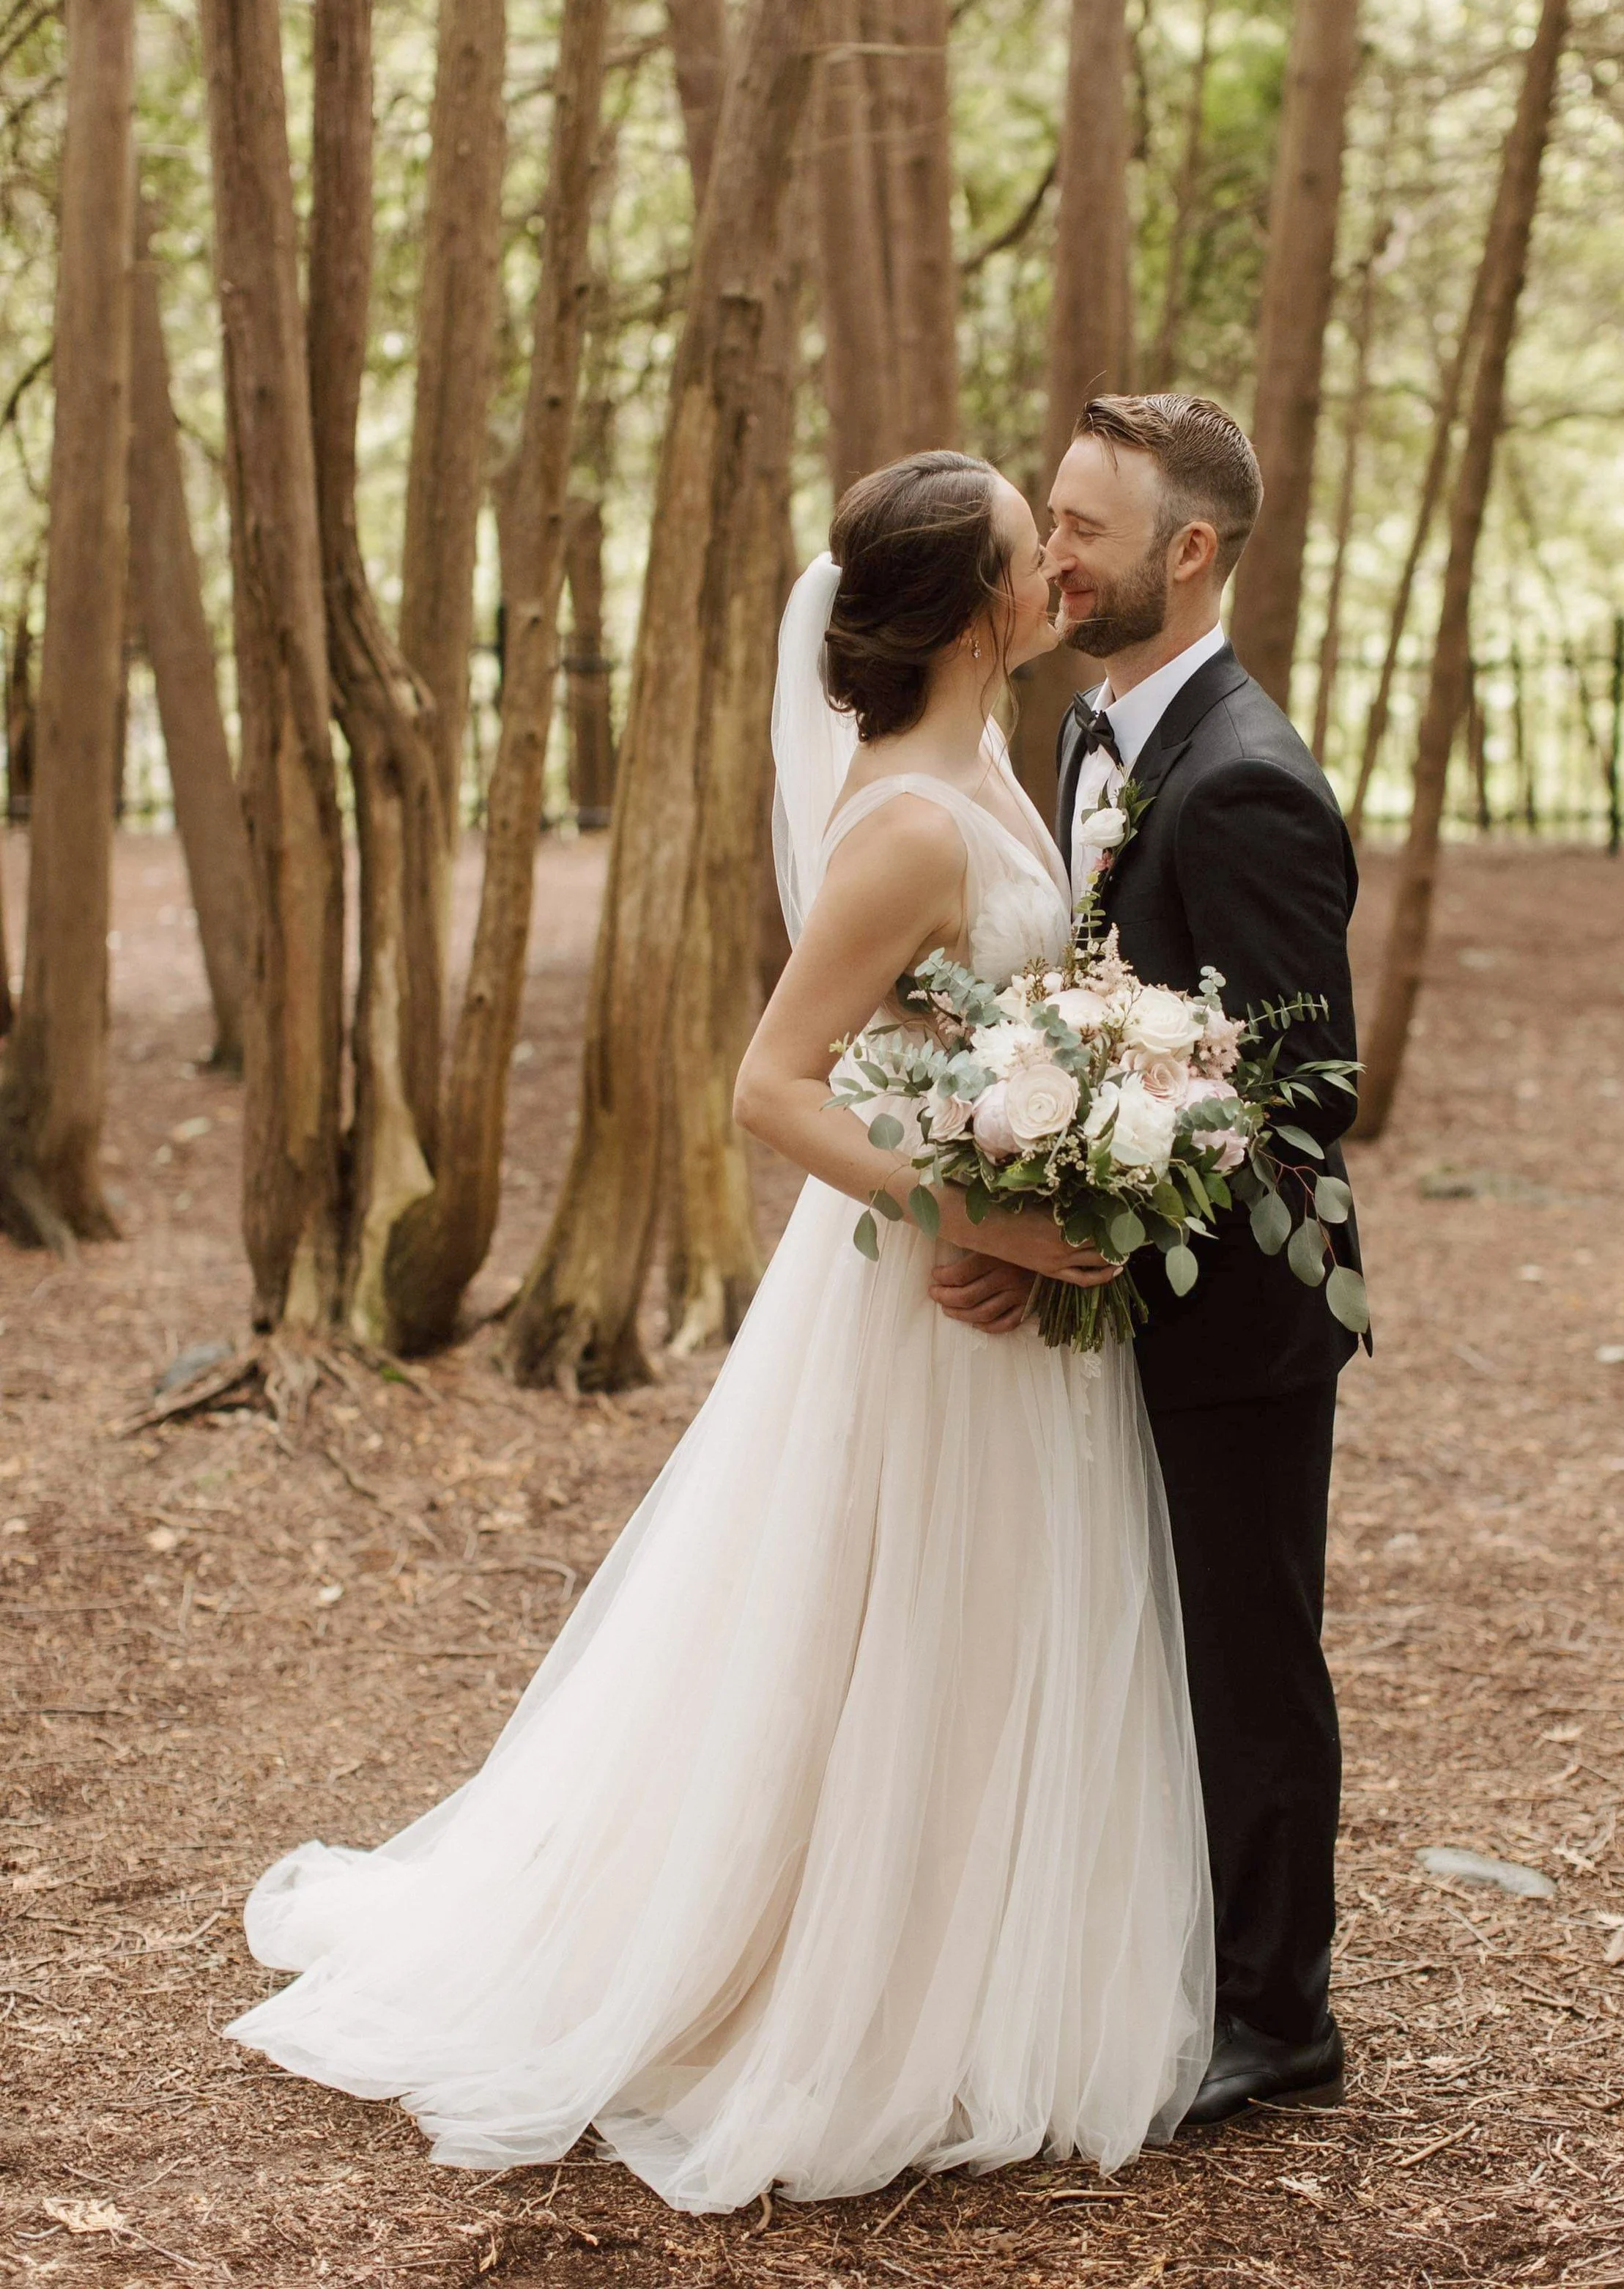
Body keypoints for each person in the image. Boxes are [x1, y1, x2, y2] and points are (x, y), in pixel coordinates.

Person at [224, 451, 1213, 2214]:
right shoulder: (900, 821)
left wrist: (1089, 1109)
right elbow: (770, 1083)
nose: (1050, 567)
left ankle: (969, 1953)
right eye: (1022, 549)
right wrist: (967, 1210)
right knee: (879, 1618)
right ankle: (827, 1982)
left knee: (986, 1622)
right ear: (970, 606)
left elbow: (994, 1014)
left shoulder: (986, 760)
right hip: (913, 1288)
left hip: (1009, 1289)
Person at [933, 393, 1368, 2126]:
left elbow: (1298, 1099)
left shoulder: (1250, 779)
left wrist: (1074, 1253)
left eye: (1084, 530)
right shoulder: (1086, 736)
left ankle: (1278, 2016)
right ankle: (1168, 1964)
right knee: (1142, 1652)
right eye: (1048, 519)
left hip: (1237, 1322)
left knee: (1245, 1660)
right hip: (1121, 1304)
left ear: (1187, 554)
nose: (1052, 556)